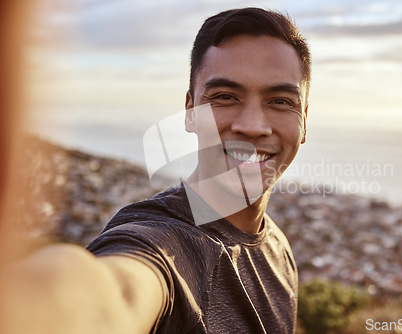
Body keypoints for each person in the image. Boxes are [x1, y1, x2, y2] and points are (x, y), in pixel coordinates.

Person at [0, 7, 310, 334]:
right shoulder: (162, 243)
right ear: (190, 112)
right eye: (225, 96)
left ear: (304, 120)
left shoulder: (276, 246)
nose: (252, 126)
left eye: (280, 101)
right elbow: (115, 293)